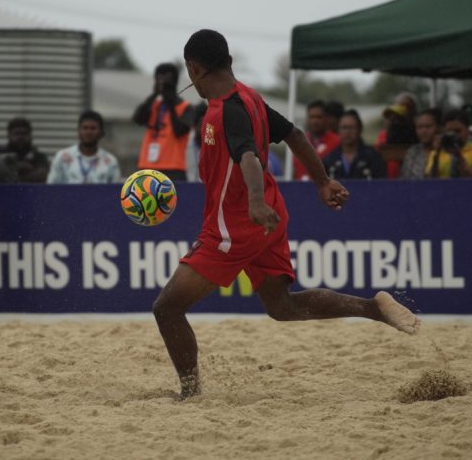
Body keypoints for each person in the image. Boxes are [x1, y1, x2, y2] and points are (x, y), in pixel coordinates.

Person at [152, 29, 419, 401]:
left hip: (239, 225)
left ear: (193, 68)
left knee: (167, 308)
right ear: (228, 61)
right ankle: (373, 308)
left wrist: (255, 202)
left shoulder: (227, 108)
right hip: (269, 217)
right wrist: (322, 181)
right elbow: (294, 134)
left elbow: (248, 157)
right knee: (283, 306)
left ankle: (189, 393)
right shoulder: (251, 98)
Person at [133, 63, 197, 181]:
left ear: (175, 82)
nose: (163, 83)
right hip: (146, 166)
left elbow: (179, 131)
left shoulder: (186, 107)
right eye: (159, 79)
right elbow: (137, 119)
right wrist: (154, 94)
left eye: (167, 80)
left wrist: (171, 102)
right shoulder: (153, 105)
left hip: (174, 169)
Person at [47, 110, 122, 184]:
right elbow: (51, 188)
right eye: (85, 128)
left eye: (93, 128)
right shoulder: (62, 157)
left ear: (101, 132)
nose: (88, 132)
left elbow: (115, 192)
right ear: (78, 131)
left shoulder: (110, 161)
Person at [322, 109, 386, 180]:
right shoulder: (329, 159)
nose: (348, 132)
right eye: (344, 128)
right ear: (338, 130)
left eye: (352, 128)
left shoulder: (373, 157)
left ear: (359, 130)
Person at [425, 108, 472, 178]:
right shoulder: (436, 152)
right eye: (449, 131)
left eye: (458, 131)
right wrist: (437, 154)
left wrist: (458, 155)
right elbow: (430, 179)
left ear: (467, 130)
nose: (453, 135)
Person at [292, 99, 340, 180]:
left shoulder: (337, 141)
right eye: (312, 117)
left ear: (326, 118)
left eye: (319, 117)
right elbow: (295, 170)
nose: (315, 121)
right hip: (300, 189)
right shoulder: (299, 140)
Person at [0, 117, 49, 183]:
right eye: (17, 133)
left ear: (30, 135)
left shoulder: (39, 157)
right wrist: (18, 167)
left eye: (24, 133)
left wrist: (11, 171)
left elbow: (42, 175)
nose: (21, 137)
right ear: (9, 135)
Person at [400, 108, 441, 179]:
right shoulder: (413, 152)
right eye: (419, 127)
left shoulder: (448, 150)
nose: (423, 131)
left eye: (428, 126)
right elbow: (404, 179)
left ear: (438, 127)